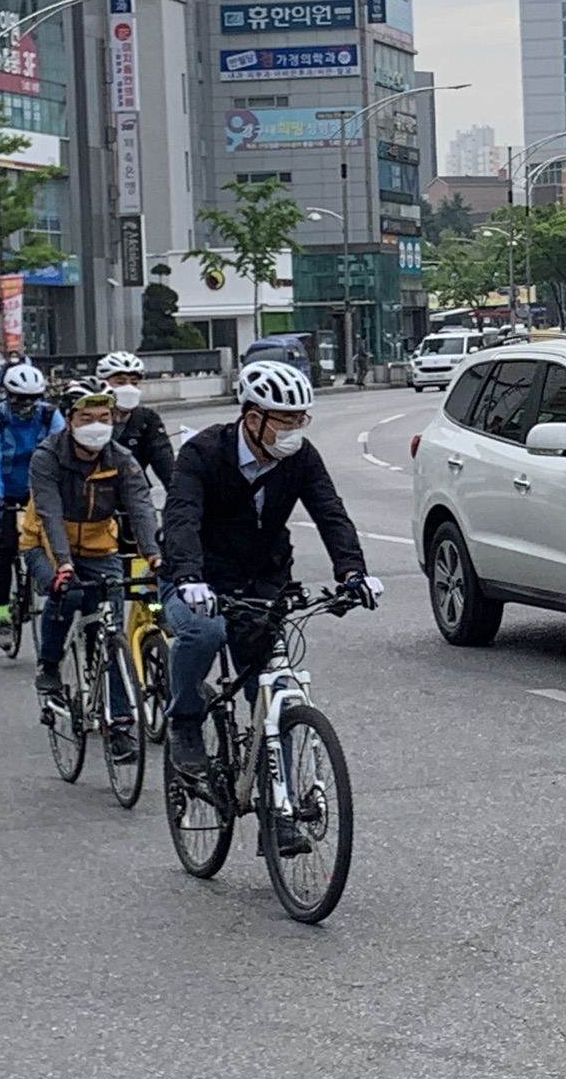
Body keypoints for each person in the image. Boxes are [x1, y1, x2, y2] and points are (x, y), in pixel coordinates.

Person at [160, 361, 381, 851]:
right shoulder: (203, 453)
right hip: (198, 578)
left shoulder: (300, 458)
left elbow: (330, 512)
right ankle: (186, 720)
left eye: (301, 419)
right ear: (252, 418)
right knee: (204, 632)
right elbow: (182, 516)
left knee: (272, 691)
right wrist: (190, 576)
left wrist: (353, 572)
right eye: (285, 420)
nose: (294, 429)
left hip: (262, 581)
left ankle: (276, 814)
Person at [19, 381, 163, 765]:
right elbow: (49, 513)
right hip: (46, 544)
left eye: (104, 418)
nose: (97, 426)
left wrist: (154, 555)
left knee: (111, 630)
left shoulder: (120, 458)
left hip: (100, 548)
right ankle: (50, 665)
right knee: (67, 593)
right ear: (69, 421)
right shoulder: (47, 457)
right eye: (87, 418)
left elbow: (140, 506)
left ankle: (119, 726)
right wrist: (63, 564)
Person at [0, 363, 63, 651]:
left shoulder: (50, 415)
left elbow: (61, 453)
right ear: (8, 394)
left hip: (38, 490)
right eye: (20, 399)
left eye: (33, 398)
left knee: (52, 541)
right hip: (3, 490)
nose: (27, 405)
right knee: (5, 549)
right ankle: (2, 615)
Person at [97, 350, 175, 489]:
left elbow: (164, 462)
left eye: (134, 382)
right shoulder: (89, 418)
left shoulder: (147, 419)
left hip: (135, 490)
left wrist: (180, 494)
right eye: (120, 382)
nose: (128, 388)